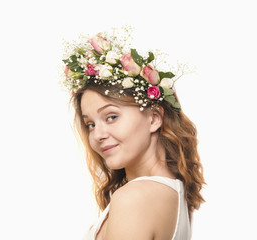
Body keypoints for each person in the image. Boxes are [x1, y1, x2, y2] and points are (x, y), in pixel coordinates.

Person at [61, 28, 205, 240]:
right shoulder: (175, 192)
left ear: (154, 118)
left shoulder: (134, 198)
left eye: (111, 117)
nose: (98, 135)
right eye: (90, 124)